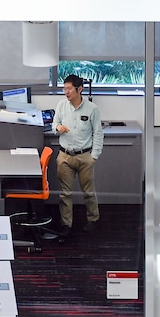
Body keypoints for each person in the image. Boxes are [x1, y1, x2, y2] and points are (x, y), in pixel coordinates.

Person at [53, 73, 104, 233]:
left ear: (79, 89)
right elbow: (55, 122)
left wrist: (94, 156)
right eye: (64, 89)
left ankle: (93, 219)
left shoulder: (92, 109)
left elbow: (98, 133)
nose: (66, 92)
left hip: (84, 156)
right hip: (65, 156)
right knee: (65, 194)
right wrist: (57, 128)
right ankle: (66, 224)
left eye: (69, 89)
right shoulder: (61, 105)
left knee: (88, 192)